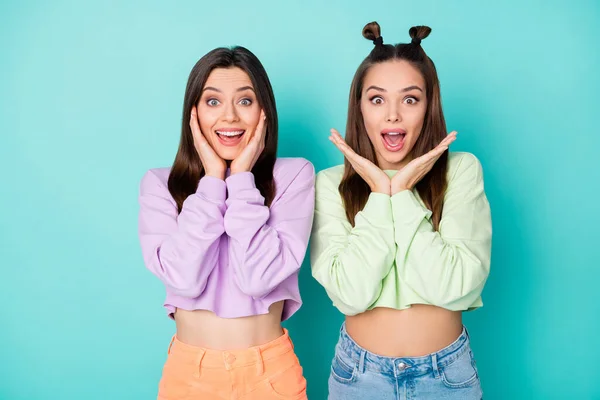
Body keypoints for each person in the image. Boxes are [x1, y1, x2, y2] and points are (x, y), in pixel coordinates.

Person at [311, 22, 492, 399]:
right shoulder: (330, 184)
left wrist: (402, 193)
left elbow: (454, 288)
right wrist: (380, 193)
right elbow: (351, 294)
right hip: (358, 377)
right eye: (377, 99)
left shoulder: (461, 170)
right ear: (359, 107)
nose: (393, 115)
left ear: (429, 107)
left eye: (410, 99)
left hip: (446, 378)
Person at [138, 46, 314, 400]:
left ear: (264, 111)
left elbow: (258, 279)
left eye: (245, 101)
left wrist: (241, 178)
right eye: (213, 102)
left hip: (270, 376)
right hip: (190, 376)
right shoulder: (160, 184)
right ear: (194, 113)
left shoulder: (295, 175)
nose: (230, 117)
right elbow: (184, 280)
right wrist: (213, 183)